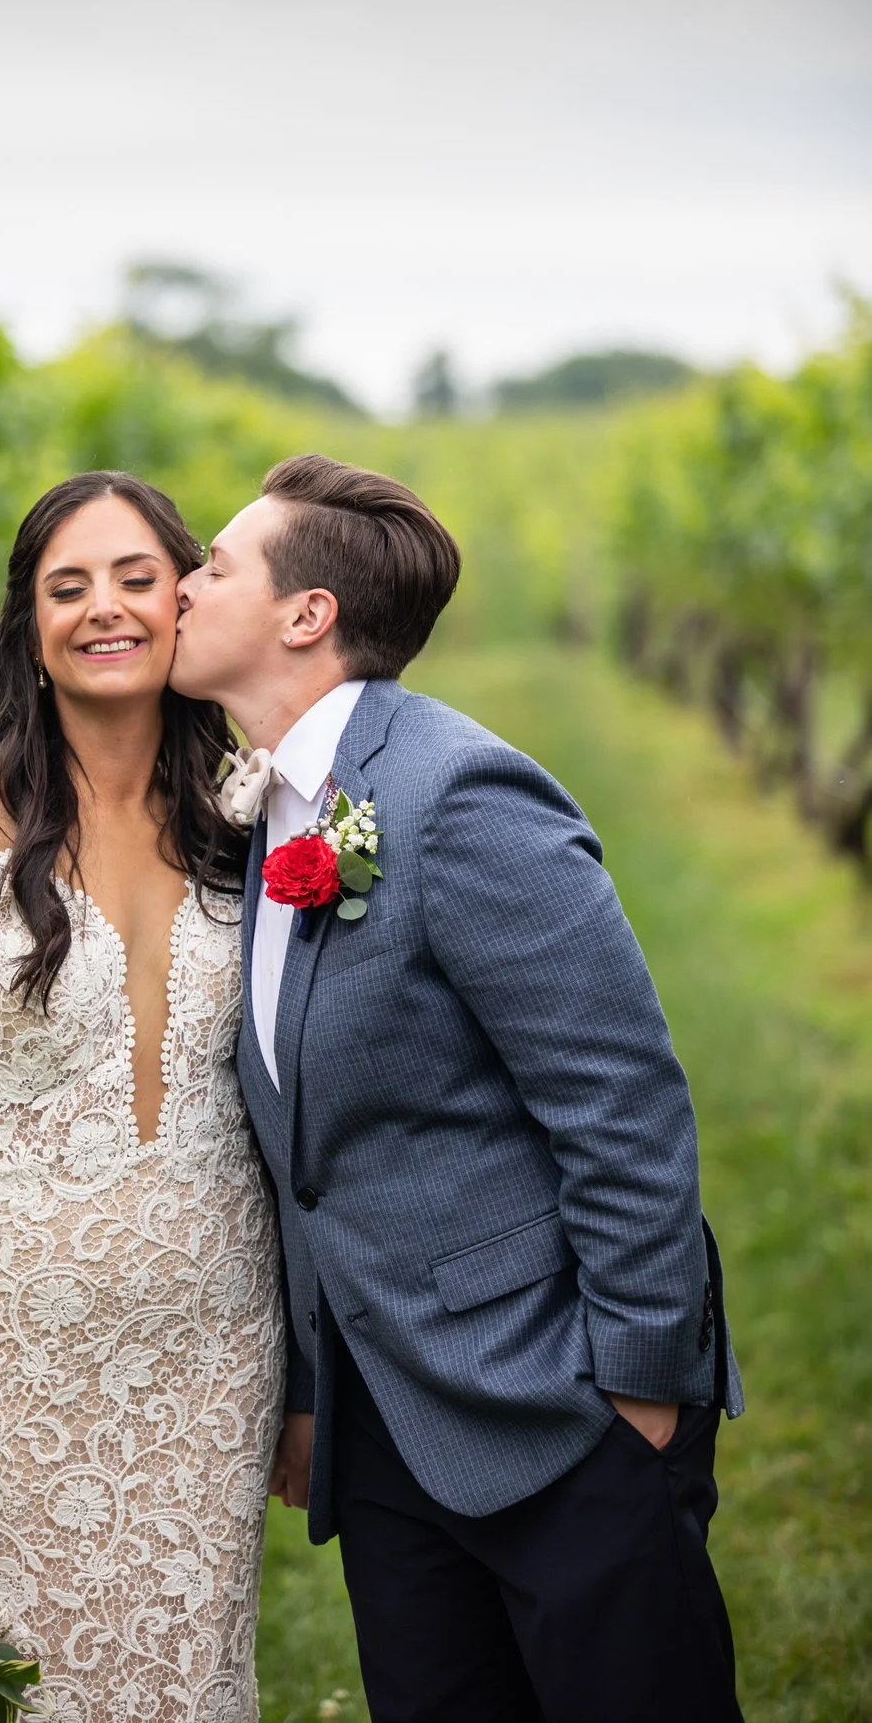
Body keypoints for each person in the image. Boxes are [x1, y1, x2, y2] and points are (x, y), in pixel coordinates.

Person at [171, 453, 745, 1723]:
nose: (179, 589)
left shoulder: (456, 792)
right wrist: (316, 1389)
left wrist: (638, 1388)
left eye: (211, 566)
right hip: (385, 1424)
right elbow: (313, 1146)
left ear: (304, 613)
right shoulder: (267, 807)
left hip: (554, 1394)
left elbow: (620, 1097)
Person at [0, 472, 285, 1723]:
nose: (105, 608)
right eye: (66, 586)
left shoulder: (253, 812)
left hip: (213, 1350)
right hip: (5, 1354)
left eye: (136, 577)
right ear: (28, 629)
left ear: (183, 600)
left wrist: (313, 1376)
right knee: (3, 1682)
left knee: (184, 1674)